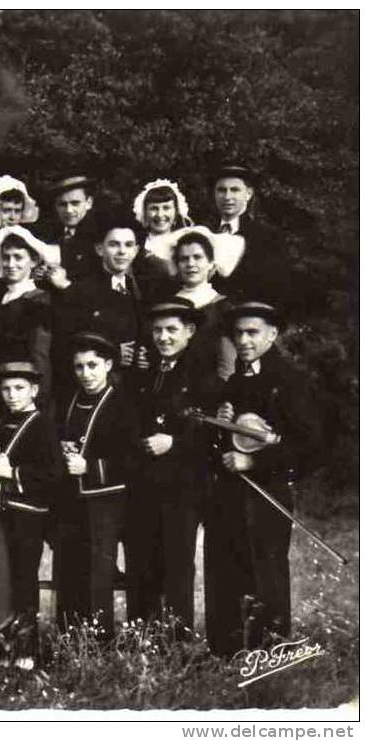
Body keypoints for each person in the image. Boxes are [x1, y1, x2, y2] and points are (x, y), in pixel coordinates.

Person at [204, 302, 321, 655]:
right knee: (225, 564)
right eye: (238, 333)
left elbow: (311, 445)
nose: (243, 340)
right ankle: (225, 651)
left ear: (272, 334)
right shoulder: (234, 380)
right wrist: (220, 422)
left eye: (252, 332)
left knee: (265, 567)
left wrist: (253, 463)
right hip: (227, 493)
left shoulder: (290, 380)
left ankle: (270, 650)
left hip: (267, 491)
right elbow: (222, 441)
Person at [125, 299, 210, 637]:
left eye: (172, 329)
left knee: (176, 562)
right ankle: (140, 634)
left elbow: (211, 431)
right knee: (141, 558)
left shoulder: (203, 373)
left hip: (182, 485)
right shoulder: (147, 372)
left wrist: (175, 442)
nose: (163, 337)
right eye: (157, 330)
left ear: (189, 332)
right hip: (143, 482)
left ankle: (177, 638)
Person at [54, 332, 140, 639]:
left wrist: (90, 467)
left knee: (97, 572)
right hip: (71, 498)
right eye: (79, 367)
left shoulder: (122, 403)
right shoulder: (69, 399)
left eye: (92, 365)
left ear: (107, 365)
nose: (86, 374)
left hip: (106, 500)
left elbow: (132, 459)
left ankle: (99, 640)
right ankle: (67, 638)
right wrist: (61, 448)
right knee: (67, 566)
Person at [0, 359, 61, 665]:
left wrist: (13, 472)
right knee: (1, 578)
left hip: (29, 515)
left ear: (34, 390)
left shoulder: (43, 424)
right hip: (1, 513)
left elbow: (53, 474)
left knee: (24, 580)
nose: (12, 394)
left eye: (19, 388)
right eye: (6, 388)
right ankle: (3, 648)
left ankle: (27, 649)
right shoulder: (2, 422)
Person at [51, 212, 152, 401]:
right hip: (93, 394)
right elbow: (63, 348)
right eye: (114, 245)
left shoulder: (141, 290)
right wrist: (112, 354)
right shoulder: (79, 292)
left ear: (136, 250)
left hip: (134, 391)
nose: (122, 252)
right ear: (99, 249)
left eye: (128, 245)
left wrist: (144, 356)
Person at [0, 226, 61, 408]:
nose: (10, 264)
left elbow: (40, 355)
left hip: (24, 396)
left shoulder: (39, 300)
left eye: (18, 257)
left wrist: (37, 399)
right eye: (6, 257)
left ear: (33, 261)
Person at [205, 163, 288, 306]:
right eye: (221, 190)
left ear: (248, 194)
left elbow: (274, 288)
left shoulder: (266, 237)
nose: (227, 196)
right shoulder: (204, 231)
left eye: (235, 190)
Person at [170, 228, 237, 383]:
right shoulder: (168, 305)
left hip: (208, 390)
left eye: (198, 257)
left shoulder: (223, 308)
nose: (190, 263)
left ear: (210, 264)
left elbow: (227, 366)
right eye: (184, 259)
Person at [34, 174, 101, 281]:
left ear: (89, 203)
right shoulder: (49, 233)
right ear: (55, 206)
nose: (69, 210)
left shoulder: (99, 235)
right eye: (62, 204)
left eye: (75, 203)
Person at [131, 178, 194, 278]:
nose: (160, 215)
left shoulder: (188, 242)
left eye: (166, 208)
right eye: (154, 208)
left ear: (176, 211)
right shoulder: (136, 246)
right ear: (144, 212)